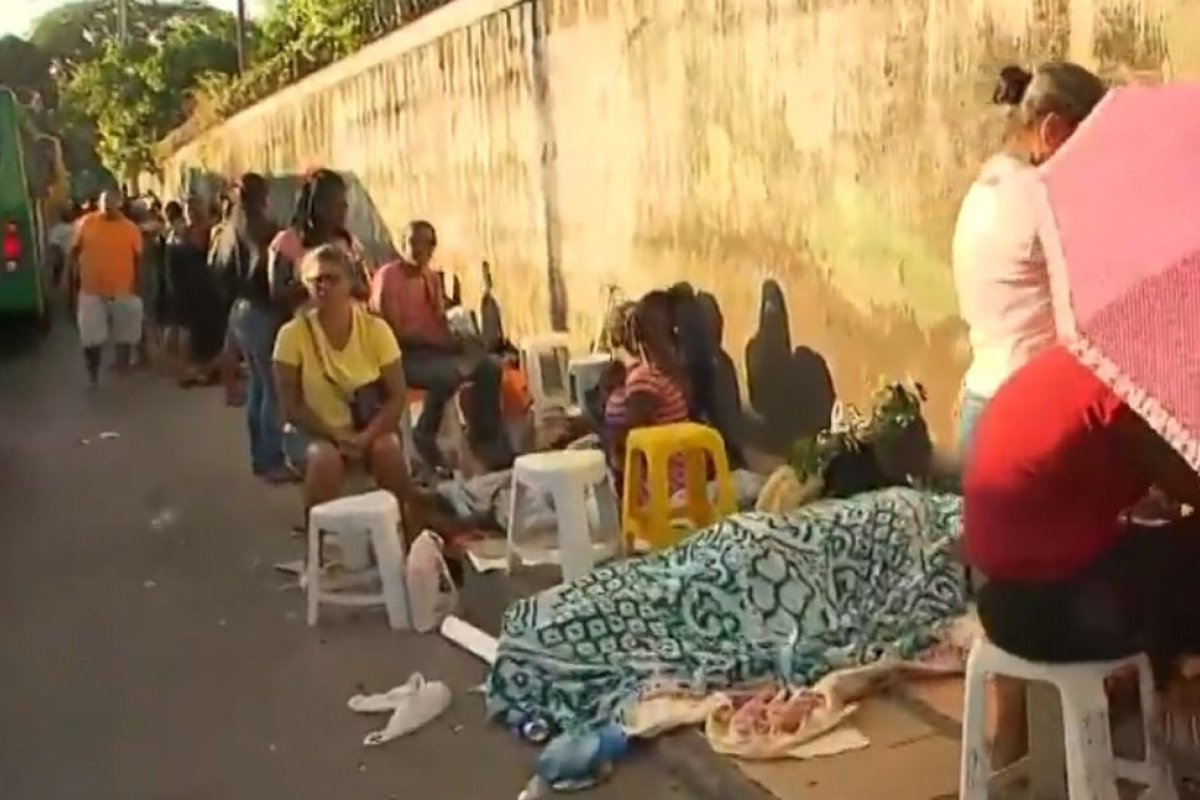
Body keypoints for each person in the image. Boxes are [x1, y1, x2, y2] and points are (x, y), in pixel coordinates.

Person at [965, 344, 1200, 765]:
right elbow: (1188, 479)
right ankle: (1176, 708)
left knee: (1167, 556)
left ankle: (1156, 698)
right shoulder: (1128, 393)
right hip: (1050, 610)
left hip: (1000, 595)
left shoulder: (1081, 364)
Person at [951, 62, 1108, 456]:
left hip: (979, 403)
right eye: (1091, 142)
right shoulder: (1043, 199)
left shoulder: (987, 185)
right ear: (1052, 131)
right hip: (1027, 420)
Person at [271, 244, 416, 535]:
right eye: (316, 280)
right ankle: (319, 543)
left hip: (368, 426)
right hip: (313, 432)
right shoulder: (292, 335)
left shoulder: (375, 330)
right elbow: (291, 405)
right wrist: (336, 436)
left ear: (350, 282)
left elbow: (397, 395)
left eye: (332, 278)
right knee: (325, 460)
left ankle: (407, 533)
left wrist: (365, 437)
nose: (323, 286)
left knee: (387, 450)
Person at [370, 220, 507, 471]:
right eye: (414, 243)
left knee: (490, 366)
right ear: (402, 245)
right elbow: (390, 332)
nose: (420, 250)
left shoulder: (430, 278)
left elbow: (438, 322)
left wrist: (460, 340)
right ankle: (425, 433)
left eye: (427, 244)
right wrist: (438, 341)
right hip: (400, 356)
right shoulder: (388, 277)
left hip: (432, 352)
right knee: (449, 375)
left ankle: (486, 438)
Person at [214, 173, 292, 482]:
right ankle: (271, 460)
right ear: (263, 194)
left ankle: (260, 457)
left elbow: (218, 271)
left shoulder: (230, 227)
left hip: (240, 310)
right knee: (271, 387)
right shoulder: (263, 228)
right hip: (262, 310)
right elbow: (269, 275)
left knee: (260, 386)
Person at [602, 290, 691, 495]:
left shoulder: (643, 380)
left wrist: (604, 440)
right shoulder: (660, 372)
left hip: (658, 490)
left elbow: (632, 442)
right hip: (671, 483)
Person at [65, 188, 144, 386]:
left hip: (123, 289)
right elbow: (73, 253)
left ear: (119, 205)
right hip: (91, 289)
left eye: (110, 206)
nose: (106, 210)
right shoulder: (86, 223)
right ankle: (93, 373)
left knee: (126, 331)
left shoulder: (130, 229)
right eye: (103, 206)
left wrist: (138, 287)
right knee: (90, 338)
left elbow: (138, 259)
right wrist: (67, 280)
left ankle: (123, 367)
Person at [268, 169, 368, 316]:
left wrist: (346, 282)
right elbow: (277, 295)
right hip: (304, 329)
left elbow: (365, 290)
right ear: (319, 206)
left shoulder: (348, 243)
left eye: (345, 204)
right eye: (337, 204)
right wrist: (316, 284)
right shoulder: (287, 242)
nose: (344, 210)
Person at [168, 195, 226, 386]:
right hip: (189, 286)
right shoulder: (183, 233)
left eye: (194, 210)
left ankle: (205, 368)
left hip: (205, 284)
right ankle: (189, 369)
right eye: (189, 210)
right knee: (189, 328)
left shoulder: (208, 230)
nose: (191, 213)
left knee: (206, 327)